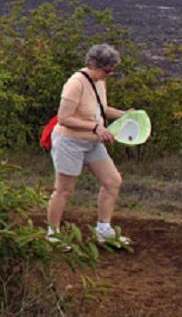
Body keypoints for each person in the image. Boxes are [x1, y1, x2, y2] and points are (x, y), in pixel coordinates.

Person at [47, 44, 133, 245]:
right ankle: (53, 234)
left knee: (113, 181)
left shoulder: (99, 81)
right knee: (64, 190)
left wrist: (125, 115)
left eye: (112, 70)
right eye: (107, 70)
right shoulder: (75, 83)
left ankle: (103, 229)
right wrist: (96, 128)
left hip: (92, 142)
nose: (109, 74)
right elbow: (64, 118)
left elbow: (101, 109)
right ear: (95, 65)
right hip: (70, 142)